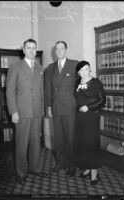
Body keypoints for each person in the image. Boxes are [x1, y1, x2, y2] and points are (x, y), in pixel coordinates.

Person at [6, 39, 47, 184]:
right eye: (28, 48)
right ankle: (21, 172)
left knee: (36, 142)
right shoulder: (15, 67)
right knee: (22, 144)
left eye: (34, 48)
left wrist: (42, 108)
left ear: (36, 50)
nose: (31, 50)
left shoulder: (39, 67)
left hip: (36, 112)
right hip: (22, 112)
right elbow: (10, 91)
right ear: (23, 50)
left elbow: (41, 90)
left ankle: (34, 168)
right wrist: (14, 112)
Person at [46, 41, 78, 175]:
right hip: (55, 107)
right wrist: (48, 106)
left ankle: (72, 165)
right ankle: (60, 162)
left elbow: (80, 84)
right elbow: (48, 89)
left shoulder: (74, 64)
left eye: (61, 48)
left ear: (66, 50)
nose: (59, 51)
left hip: (70, 107)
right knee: (58, 138)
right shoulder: (50, 67)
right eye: (57, 49)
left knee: (70, 138)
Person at [72, 60, 106, 185]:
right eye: (81, 70)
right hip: (80, 117)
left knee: (91, 144)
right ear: (78, 72)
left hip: (91, 117)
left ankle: (94, 173)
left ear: (90, 69)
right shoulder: (77, 82)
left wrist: (89, 107)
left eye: (86, 69)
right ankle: (86, 167)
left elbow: (102, 100)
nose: (84, 72)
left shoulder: (95, 82)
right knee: (82, 143)